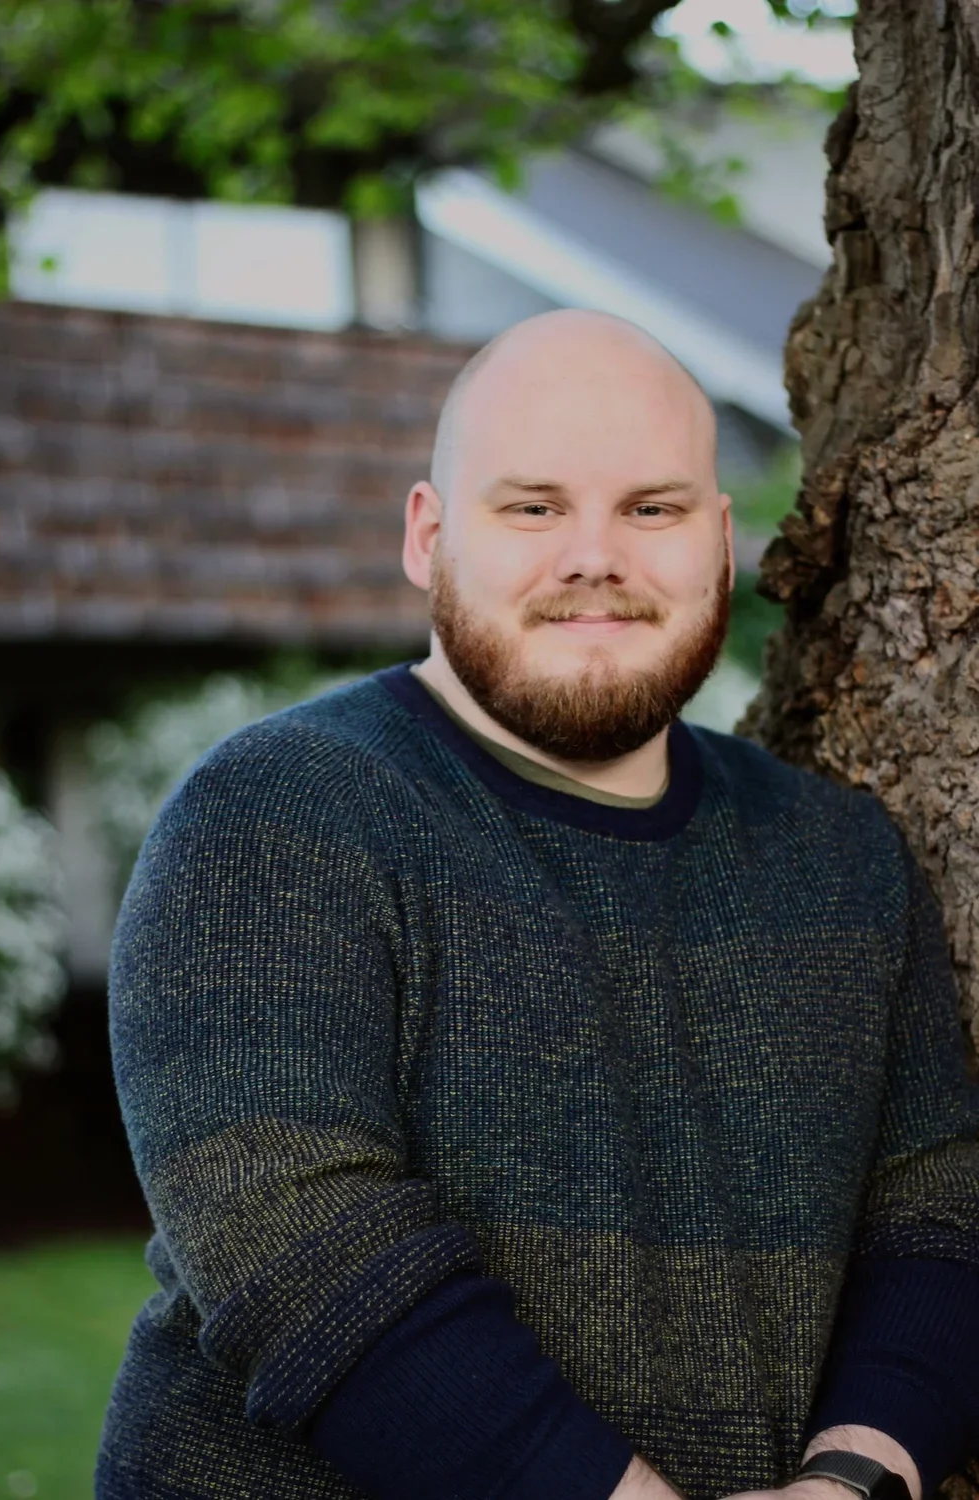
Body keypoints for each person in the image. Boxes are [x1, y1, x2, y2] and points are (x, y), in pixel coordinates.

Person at [95, 309, 979, 1500]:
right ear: (427, 533)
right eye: (533, 507)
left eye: (651, 509)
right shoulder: (276, 813)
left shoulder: (840, 856)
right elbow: (296, 1245)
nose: (594, 557)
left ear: (720, 542)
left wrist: (853, 1484)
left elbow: (937, 1211)